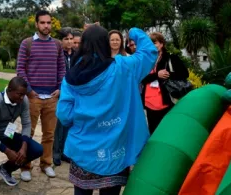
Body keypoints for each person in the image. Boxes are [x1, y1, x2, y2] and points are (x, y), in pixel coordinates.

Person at [57, 25, 157, 195]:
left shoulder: (71, 76)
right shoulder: (123, 67)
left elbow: (64, 115)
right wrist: (134, 32)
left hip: (83, 149)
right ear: (106, 44)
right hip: (115, 150)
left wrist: (86, 116)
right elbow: (149, 52)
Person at [16, 10, 66, 181]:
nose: (46, 26)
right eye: (43, 23)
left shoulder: (57, 45)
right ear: (36, 24)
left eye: (49, 22)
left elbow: (62, 69)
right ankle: (25, 166)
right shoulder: (27, 44)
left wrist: (60, 88)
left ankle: (46, 164)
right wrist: (29, 90)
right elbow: (20, 69)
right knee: (27, 133)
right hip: (32, 97)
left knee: (49, 134)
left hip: (52, 97)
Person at [0, 77, 43, 193]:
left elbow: (27, 124)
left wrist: (24, 146)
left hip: (7, 134)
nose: (22, 98)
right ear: (10, 90)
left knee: (36, 149)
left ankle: (6, 169)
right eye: (19, 94)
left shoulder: (24, 100)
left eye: (24, 94)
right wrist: (7, 151)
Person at [141, 32, 189, 134]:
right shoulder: (145, 60)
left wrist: (168, 74)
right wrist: (156, 75)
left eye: (154, 43)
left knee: (167, 132)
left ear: (162, 44)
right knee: (153, 132)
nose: (152, 45)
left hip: (166, 101)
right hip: (149, 103)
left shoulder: (171, 58)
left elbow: (184, 74)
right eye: (150, 43)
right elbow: (141, 78)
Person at [53, 27, 74, 166]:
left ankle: (65, 152)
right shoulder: (57, 55)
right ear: (60, 41)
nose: (69, 41)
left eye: (71, 38)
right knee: (59, 125)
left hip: (74, 94)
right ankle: (56, 153)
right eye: (66, 39)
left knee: (69, 124)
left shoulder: (77, 55)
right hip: (60, 93)